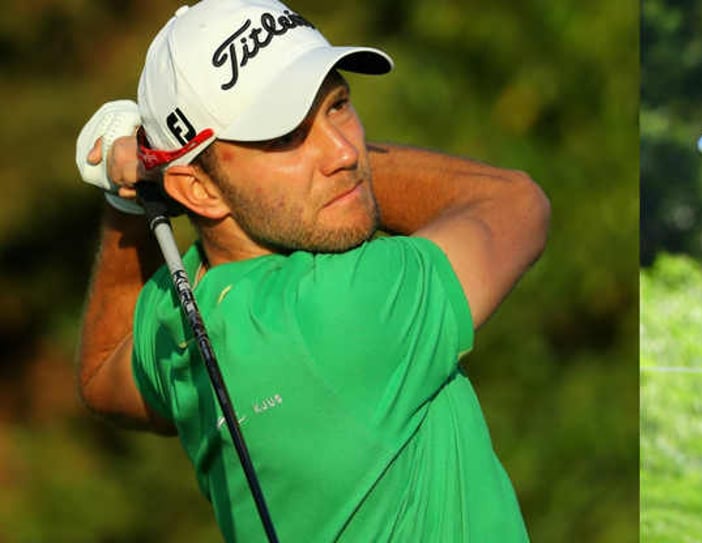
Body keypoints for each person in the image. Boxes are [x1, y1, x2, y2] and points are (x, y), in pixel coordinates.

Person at [74, 0, 549, 541]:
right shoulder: (346, 304)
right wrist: (152, 168)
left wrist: (130, 198)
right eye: (286, 137)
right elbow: (515, 204)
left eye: (337, 105)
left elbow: (100, 376)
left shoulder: (182, 309)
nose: (344, 152)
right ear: (199, 190)